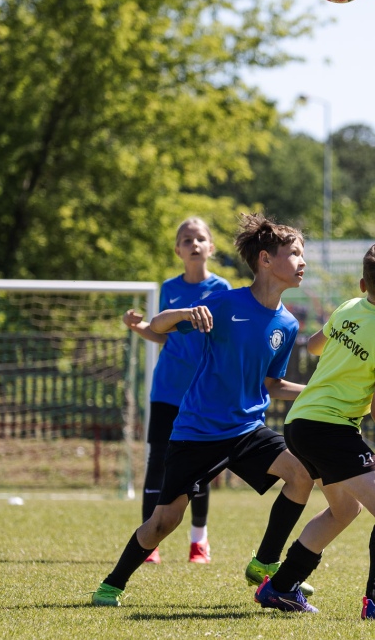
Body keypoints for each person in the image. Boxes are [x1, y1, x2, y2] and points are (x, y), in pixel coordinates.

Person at [92, 214, 316, 607]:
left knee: (300, 476)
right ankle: (112, 584)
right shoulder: (227, 303)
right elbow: (158, 326)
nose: (302, 261)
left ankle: (264, 564)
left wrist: (317, 390)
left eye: (302, 254)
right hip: (197, 431)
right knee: (164, 522)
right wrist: (184, 314)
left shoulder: (288, 323)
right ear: (265, 259)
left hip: (247, 428)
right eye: (294, 253)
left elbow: (272, 384)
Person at [255, 240, 375, 619]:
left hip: (299, 422)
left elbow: (314, 346)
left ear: (363, 284)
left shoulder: (349, 307)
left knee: (344, 510)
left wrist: (344, 340)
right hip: (331, 429)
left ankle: (280, 588)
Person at [122, 217, 230, 564]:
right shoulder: (170, 287)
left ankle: (199, 542)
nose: (194, 244)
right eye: (186, 239)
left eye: (200, 238)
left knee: (199, 467)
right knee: (157, 463)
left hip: (202, 393)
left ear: (211, 247)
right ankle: (148, 540)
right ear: (178, 250)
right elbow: (163, 333)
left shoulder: (222, 289)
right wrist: (139, 327)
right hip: (167, 389)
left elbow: (225, 339)